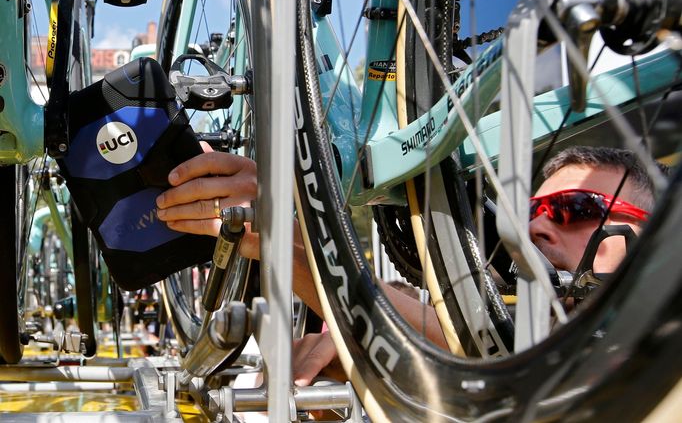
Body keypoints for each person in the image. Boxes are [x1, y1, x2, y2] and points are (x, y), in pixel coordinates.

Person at [155, 144, 662, 385]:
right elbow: (464, 336)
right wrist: (273, 232)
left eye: (577, 209)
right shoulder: (530, 319)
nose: (535, 230)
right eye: (532, 214)